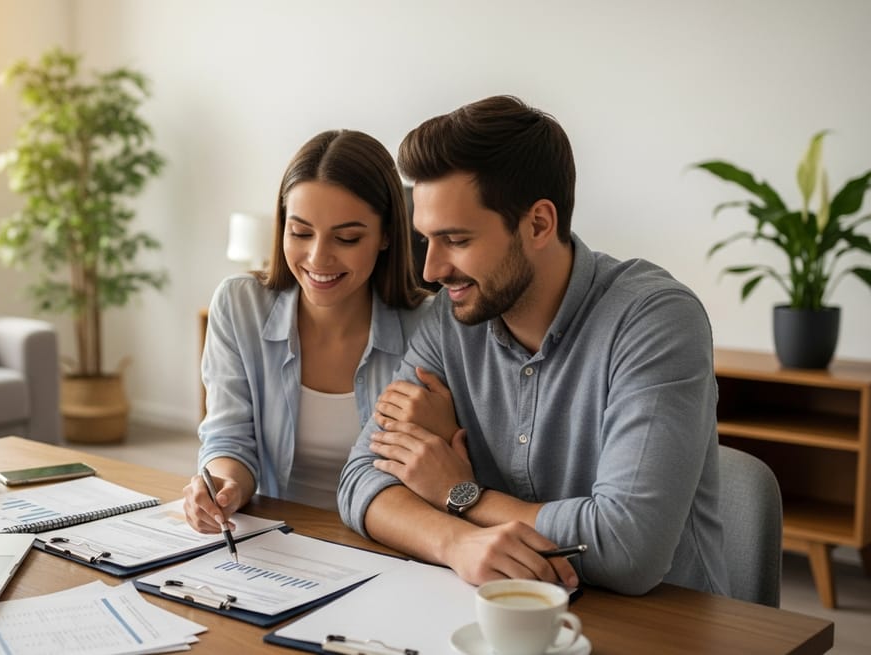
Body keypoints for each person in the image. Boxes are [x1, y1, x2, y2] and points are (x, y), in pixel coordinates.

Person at [338, 96, 729, 597]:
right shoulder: (450, 319)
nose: (432, 270)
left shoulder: (654, 321)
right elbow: (361, 482)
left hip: (656, 623)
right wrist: (456, 543)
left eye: (456, 240)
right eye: (426, 240)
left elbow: (628, 549)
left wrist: (459, 493)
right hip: (502, 608)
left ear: (539, 224)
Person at [183, 129, 433, 533]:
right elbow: (228, 437)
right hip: (278, 539)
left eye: (347, 238)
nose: (318, 258)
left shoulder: (431, 327)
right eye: (300, 233)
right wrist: (224, 487)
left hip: (389, 541)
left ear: (386, 234)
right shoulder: (239, 305)